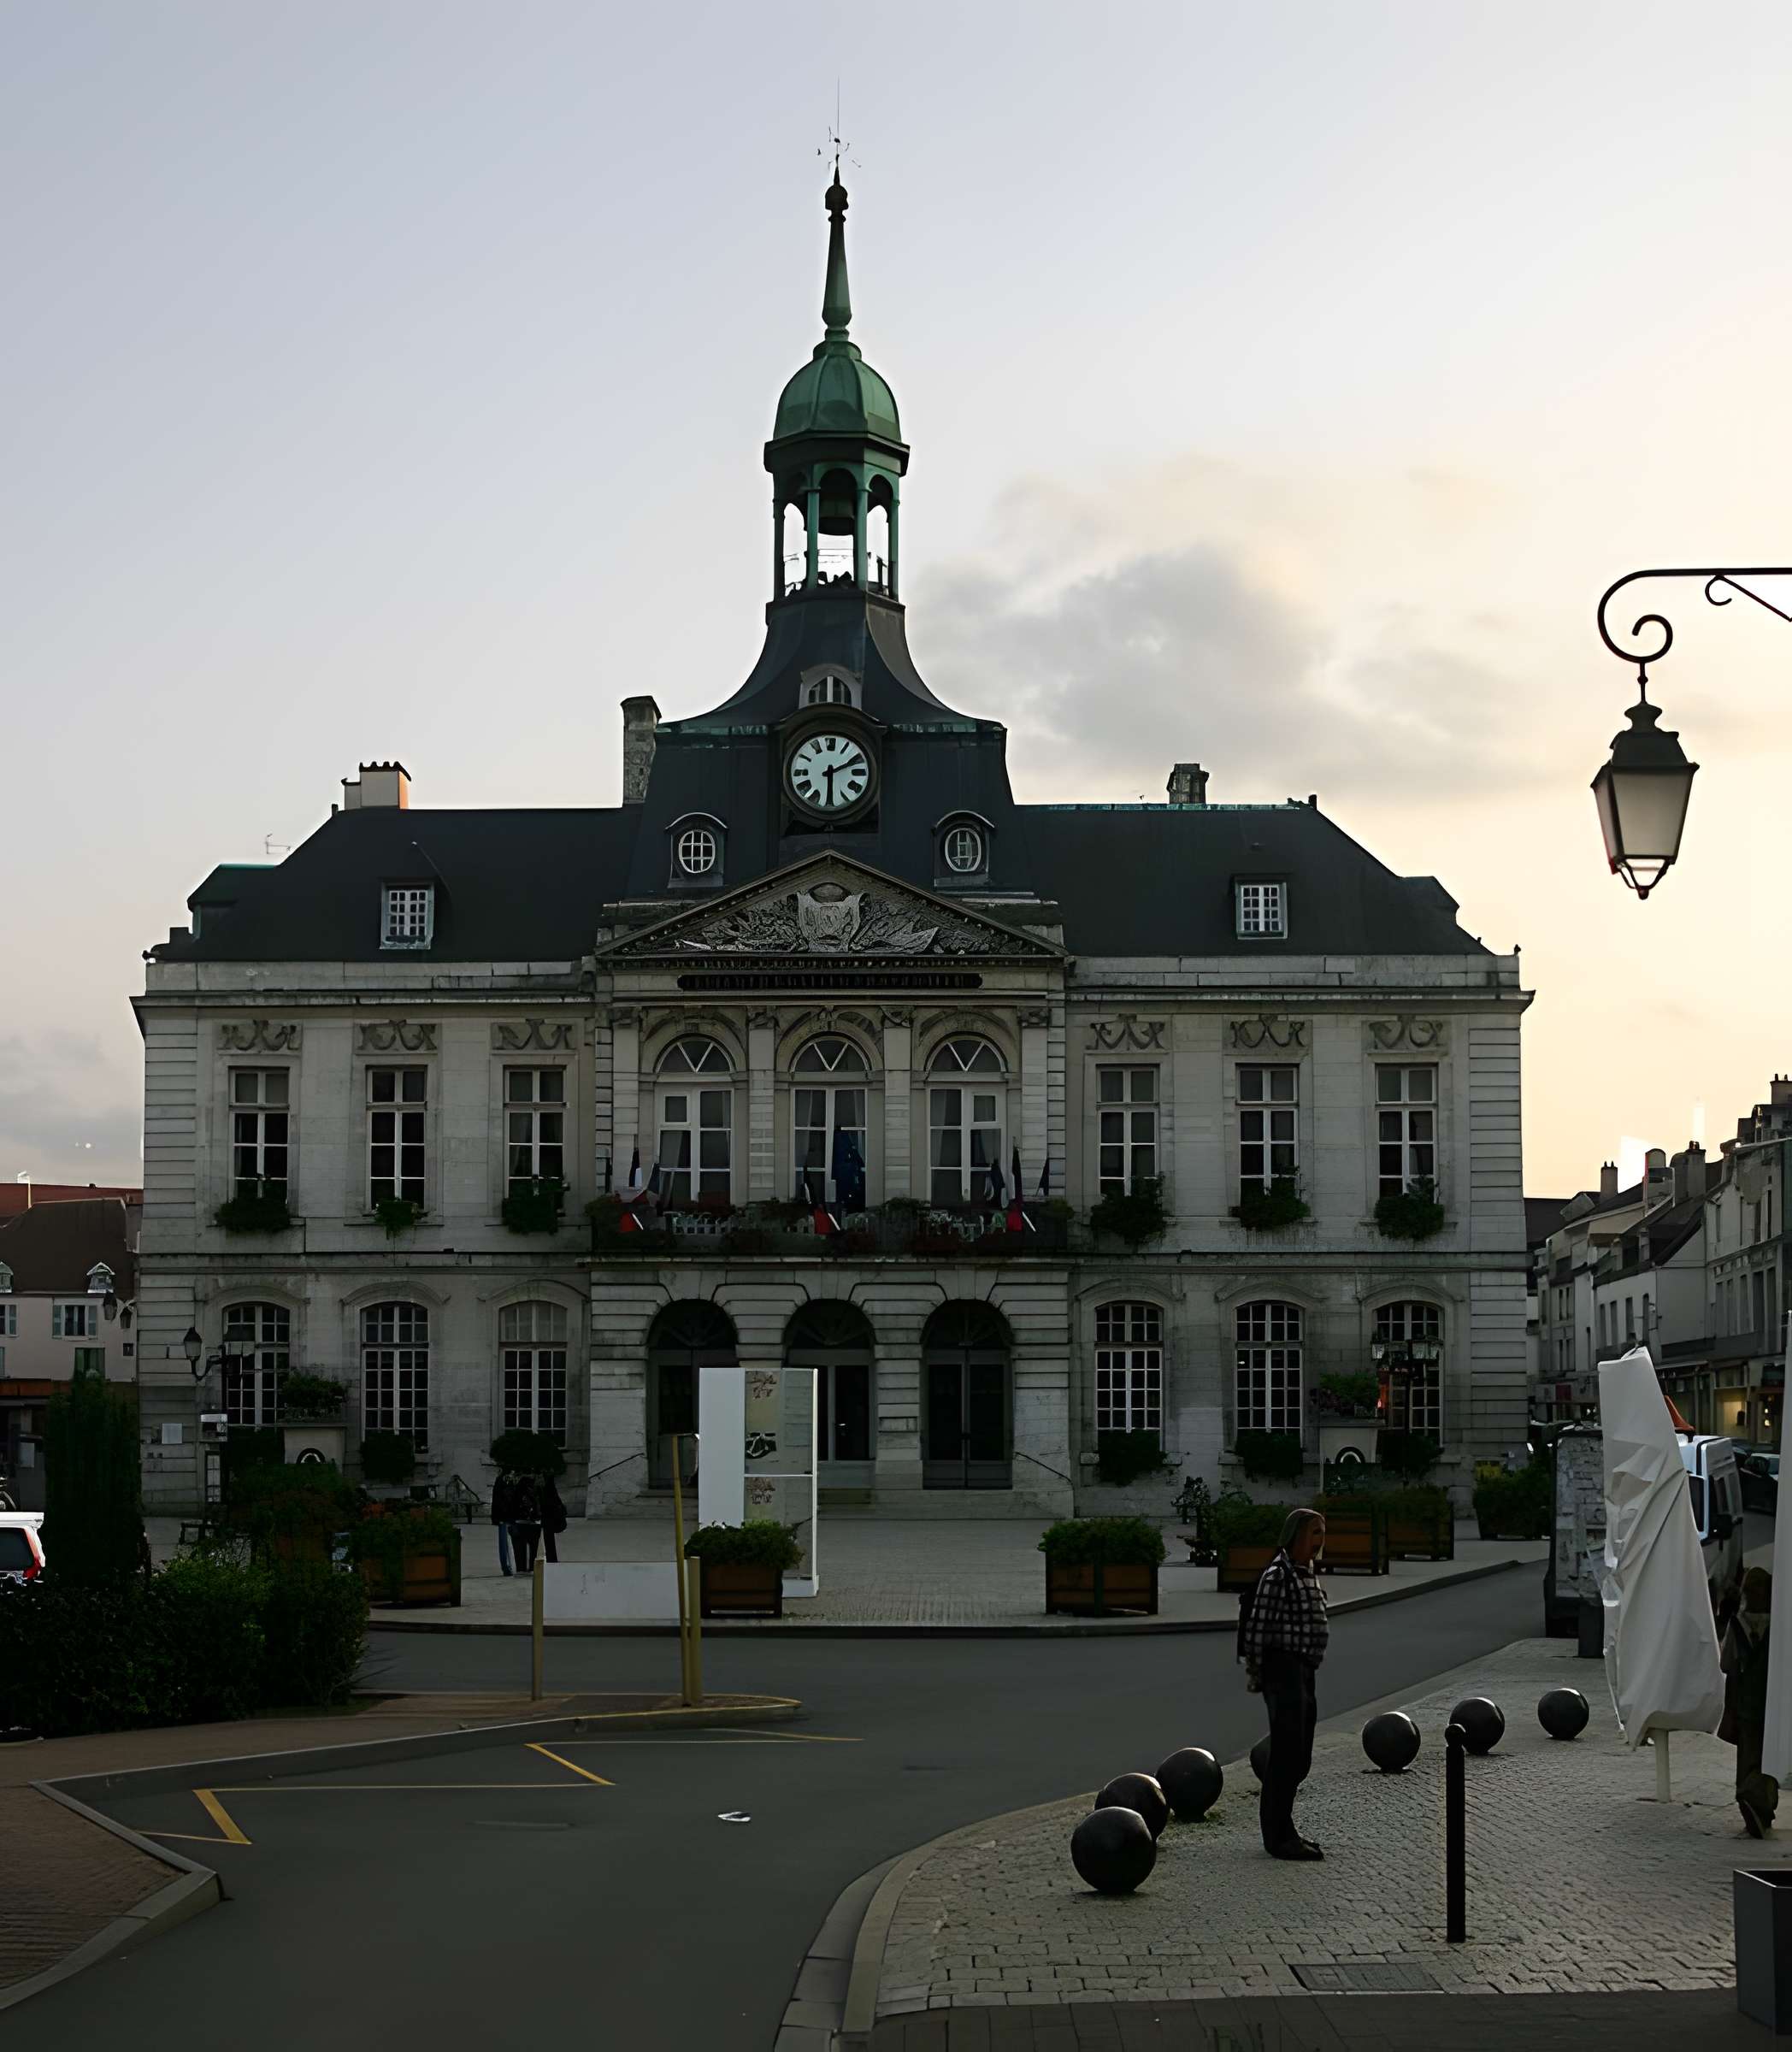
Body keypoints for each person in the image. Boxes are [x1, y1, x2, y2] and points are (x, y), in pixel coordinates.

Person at [1238, 1507, 1329, 1861]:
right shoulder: (1279, 1574)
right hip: (1283, 1668)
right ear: (1295, 1537)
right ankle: (1278, 1837)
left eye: (1322, 1534)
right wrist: (1259, 1673)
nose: (1318, 1542)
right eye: (1313, 1533)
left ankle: (1286, 1829)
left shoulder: (1307, 1572)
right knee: (1287, 1754)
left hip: (1304, 1668)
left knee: (1300, 1754)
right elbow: (1259, 1627)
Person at [1720, 1565, 1777, 1837]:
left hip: (1745, 1703)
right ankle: (1765, 1807)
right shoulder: (1783, 1624)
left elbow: (1726, 1664)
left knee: (1748, 1758)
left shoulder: (1736, 1625)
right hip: (1775, 1705)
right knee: (1770, 1759)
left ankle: (1750, 1804)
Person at [510, 1472, 544, 1575]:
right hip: (533, 1523)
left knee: (519, 1548)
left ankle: (521, 1568)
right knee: (533, 1548)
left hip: (519, 1522)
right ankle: (532, 1568)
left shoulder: (517, 1492)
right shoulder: (536, 1491)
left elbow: (512, 1507)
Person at [491, 1470, 517, 1577]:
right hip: (507, 1515)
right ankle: (508, 1567)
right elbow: (500, 1499)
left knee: (506, 1542)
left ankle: (508, 1567)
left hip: (506, 1515)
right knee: (507, 1542)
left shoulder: (503, 1479)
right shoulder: (506, 1479)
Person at [540, 1473, 568, 1565]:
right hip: (550, 1517)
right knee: (549, 1541)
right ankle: (552, 1558)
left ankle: (551, 1558)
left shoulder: (547, 1489)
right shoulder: (551, 1489)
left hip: (548, 1517)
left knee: (548, 1541)